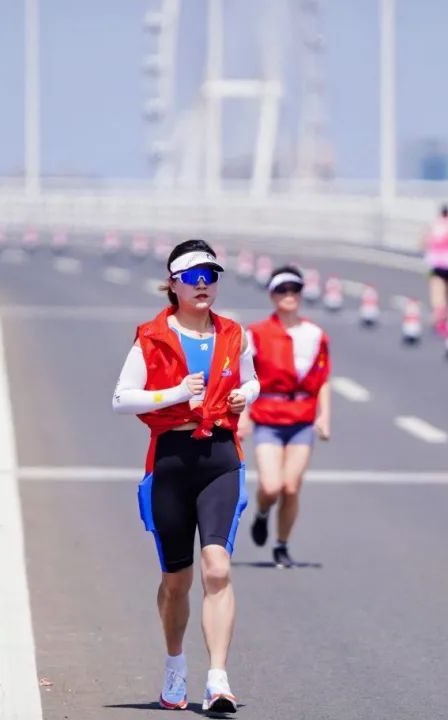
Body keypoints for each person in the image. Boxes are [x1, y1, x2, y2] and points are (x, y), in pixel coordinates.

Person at [112, 239, 259, 714]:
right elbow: (123, 398)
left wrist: (245, 397)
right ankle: (175, 664)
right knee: (177, 581)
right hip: (172, 459)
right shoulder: (152, 337)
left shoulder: (235, 334)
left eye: (211, 276)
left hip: (220, 456)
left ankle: (218, 679)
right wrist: (174, 393)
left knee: (218, 568)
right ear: (172, 284)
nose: (204, 286)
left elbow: (251, 378)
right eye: (194, 278)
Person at [238, 265, 331, 569]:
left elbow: (323, 379)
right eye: (282, 290)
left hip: (301, 418)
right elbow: (245, 375)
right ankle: (263, 513)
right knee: (271, 485)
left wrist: (324, 416)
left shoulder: (315, 335)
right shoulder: (257, 333)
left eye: (294, 290)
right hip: (268, 417)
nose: (289, 296)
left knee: (291, 486)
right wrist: (244, 414)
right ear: (272, 295)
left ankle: (281, 545)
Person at [421, 204, 448, 335]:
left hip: (436, 264)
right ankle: (444, 320)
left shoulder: (433, 226)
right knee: (447, 294)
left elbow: (423, 243)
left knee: (437, 294)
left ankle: (440, 321)